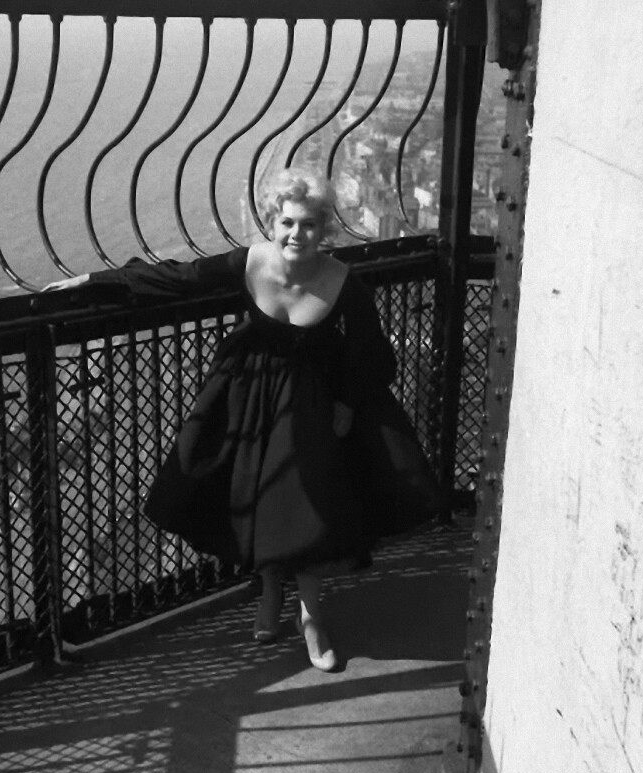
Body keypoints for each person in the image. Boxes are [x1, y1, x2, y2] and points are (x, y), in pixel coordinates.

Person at [44, 168, 439, 672]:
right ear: (273, 222)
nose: (297, 234)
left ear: (323, 229)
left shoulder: (344, 281)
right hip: (250, 400)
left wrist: (345, 407)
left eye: (308, 225)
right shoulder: (249, 262)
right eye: (287, 223)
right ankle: (270, 595)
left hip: (314, 406)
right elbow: (178, 279)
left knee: (311, 509)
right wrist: (94, 282)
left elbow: (373, 354)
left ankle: (311, 615)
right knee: (259, 504)